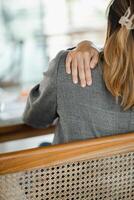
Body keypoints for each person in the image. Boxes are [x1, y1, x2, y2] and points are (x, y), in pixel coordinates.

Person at [23, 0, 134, 145]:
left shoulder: (69, 66)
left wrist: (84, 45)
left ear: (111, 26)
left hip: (72, 168)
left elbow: (34, 118)